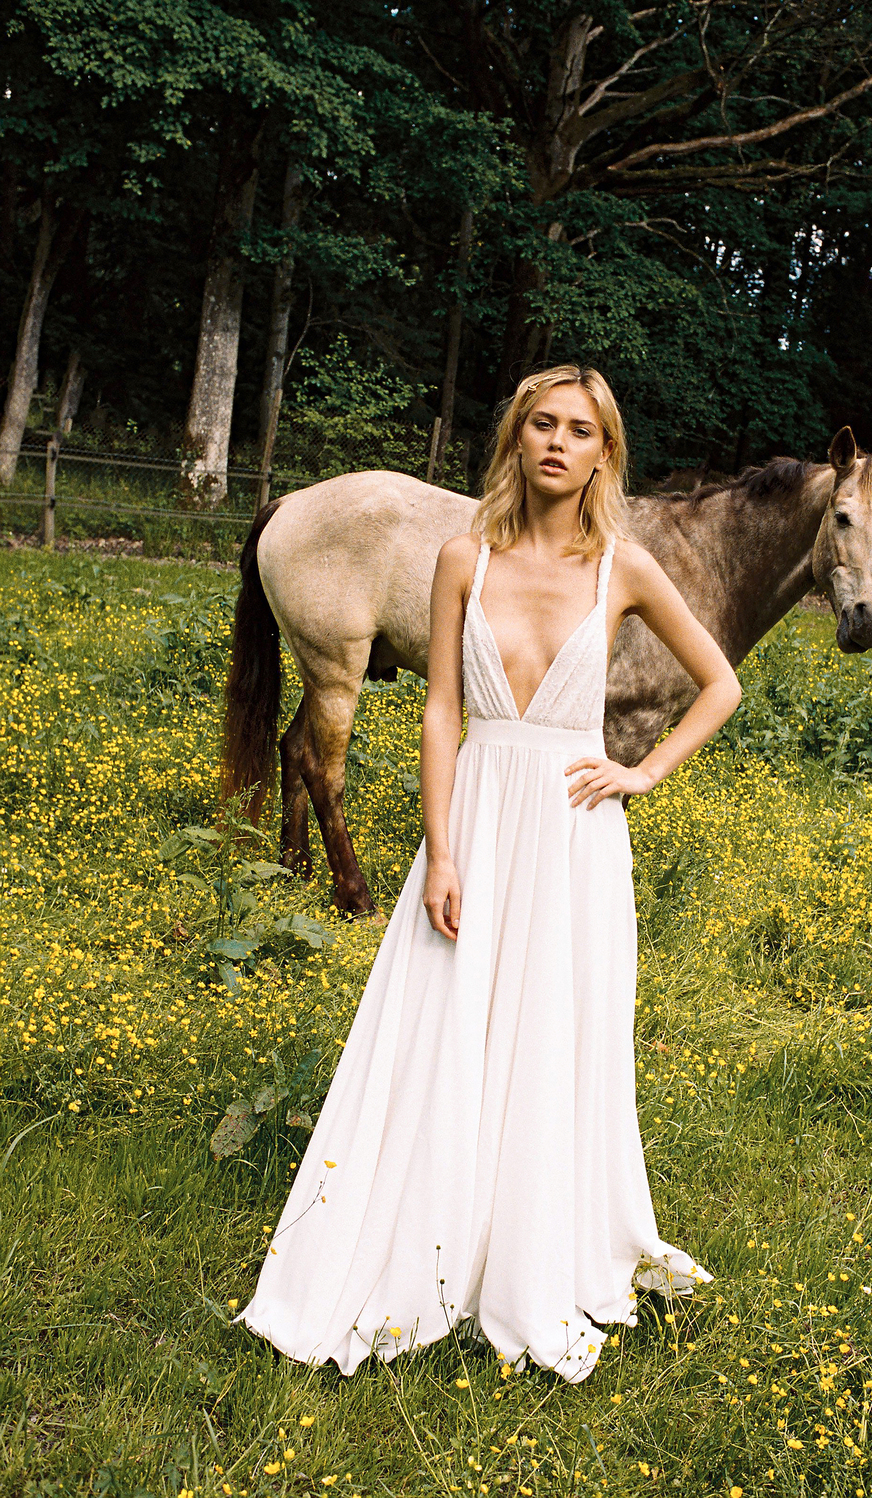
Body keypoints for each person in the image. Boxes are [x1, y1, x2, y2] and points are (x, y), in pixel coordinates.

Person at [237, 365, 742, 1382]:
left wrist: (643, 771)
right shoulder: (463, 554)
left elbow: (720, 682)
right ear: (515, 439)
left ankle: (537, 1243)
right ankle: (427, 1234)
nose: (557, 443)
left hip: (574, 828)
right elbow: (437, 710)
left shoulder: (625, 568)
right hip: (476, 811)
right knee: (443, 1018)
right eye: (541, 424)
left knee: (556, 1029)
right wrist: (441, 847)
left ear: (605, 452)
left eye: (580, 430)